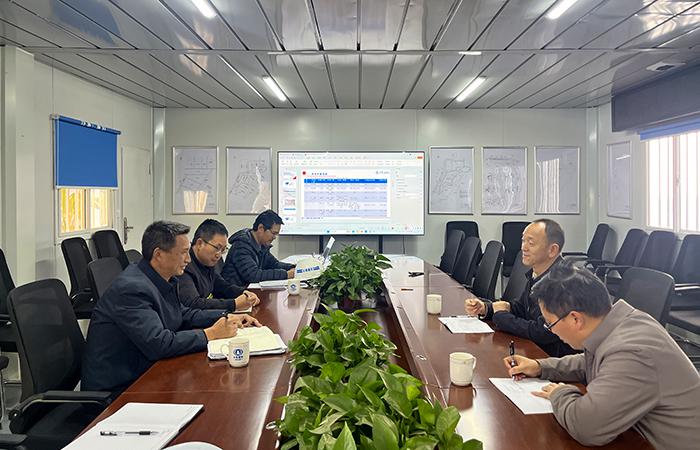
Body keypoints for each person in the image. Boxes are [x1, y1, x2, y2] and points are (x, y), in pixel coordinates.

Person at [505, 262, 700, 449]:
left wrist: (560, 393)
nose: (551, 330)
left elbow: (586, 427)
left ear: (575, 319)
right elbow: (590, 361)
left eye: (550, 324)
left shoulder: (632, 352)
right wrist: (540, 367)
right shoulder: (620, 323)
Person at [82, 221, 261, 393]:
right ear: (159, 254)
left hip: (146, 372)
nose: (188, 259)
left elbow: (183, 314)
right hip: (120, 390)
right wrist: (211, 334)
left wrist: (226, 316)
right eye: (183, 253)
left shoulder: (162, 278)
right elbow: (159, 343)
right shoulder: (131, 289)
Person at [465, 219, 575, 356]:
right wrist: (488, 308)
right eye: (523, 241)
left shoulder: (563, 283)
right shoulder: (538, 273)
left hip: (554, 360)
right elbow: (522, 308)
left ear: (552, 250)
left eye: (531, 243)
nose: (523, 247)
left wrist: (501, 316)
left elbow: (541, 332)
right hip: (535, 352)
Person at [180, 219, 260, 312]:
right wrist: (234, 304)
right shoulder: (183, 265)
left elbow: (221, 286)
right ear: (200, 243)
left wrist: (244, 292)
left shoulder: (208, 261)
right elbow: (194, 303)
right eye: (217, 248)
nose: (219, 255)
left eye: (223, 250)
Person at [221, 210, 295, 286]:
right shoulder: (241, 246)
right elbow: (253, 275)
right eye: (273, 233)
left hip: (249, 289)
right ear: (260, 228)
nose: (274, 237)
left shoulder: (261, 245)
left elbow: (274, 264)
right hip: (236, 291)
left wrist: (294, 267)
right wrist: (286, 274)